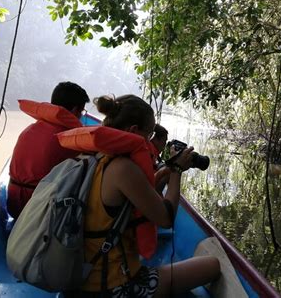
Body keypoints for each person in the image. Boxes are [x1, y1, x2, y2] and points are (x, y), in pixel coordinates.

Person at [71, 94, 220, 297]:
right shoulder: (123, 169)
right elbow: (166, 218)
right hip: (110, 288)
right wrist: (176, 170)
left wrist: (165, 170)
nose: (149, 142)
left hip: (77, 279)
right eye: (149, 135)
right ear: (133, 131)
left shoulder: (90, 157)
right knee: (211, 265)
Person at [7, 81, 89, 219]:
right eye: (82, 112)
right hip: (37, 212)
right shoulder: (68, 139)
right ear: (75, 110)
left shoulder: (30, 129)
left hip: (13, 204)